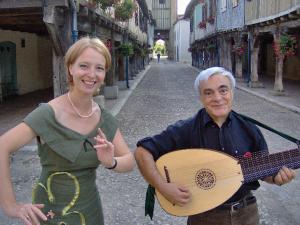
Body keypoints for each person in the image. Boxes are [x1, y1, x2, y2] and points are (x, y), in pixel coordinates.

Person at [134, 67, 296, 225]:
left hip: (246, 214)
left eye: (223, 90)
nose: (217, 98)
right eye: (208, 92)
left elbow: (262, 170)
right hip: (204, 218)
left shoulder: (250, 129)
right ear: (201, 97)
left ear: (232, 92)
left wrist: (276, 178)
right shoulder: (186, 129)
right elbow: (142, 152)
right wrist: (163, 187)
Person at [0, 37, 135, 225]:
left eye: (99, 68)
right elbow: (2, 146)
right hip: (48, 214)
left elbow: (129, 161)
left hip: (89, 213)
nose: (91, 74)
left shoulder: (105, 119)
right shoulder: (47, 114)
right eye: (84, 66)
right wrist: (10, 206)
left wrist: (111, 161)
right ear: (70, 68)